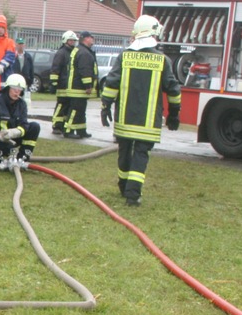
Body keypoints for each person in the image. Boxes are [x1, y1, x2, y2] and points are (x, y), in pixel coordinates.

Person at [100, 15, 182, 207]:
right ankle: (133, 194)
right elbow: (173, 89)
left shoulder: (125, 56)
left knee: (124, 150)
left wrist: (105, 105)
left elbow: (112, 83)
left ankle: (123, 186)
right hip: (148, 122)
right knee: (141, 155)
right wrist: (174, 113)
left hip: (124, 118)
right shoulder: (162, 60)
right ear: (153, 33)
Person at [0, 73, 39, 167]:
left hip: (11, 138)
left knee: (34, 126)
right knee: (9, 149)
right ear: (8, 88)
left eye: (19, 90)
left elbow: (24, 124)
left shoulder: (22, 104)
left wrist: (14, 132)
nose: (17, 92)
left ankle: (23, 157)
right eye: (14, 88)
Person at [63, 30, 98, 139]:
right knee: (75, 110)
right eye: (91, 37)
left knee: (81, 111)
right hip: (78, 88)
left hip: (76, 87)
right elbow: (85, 70)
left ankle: (81, 130)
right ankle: (68, 130)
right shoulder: (84, 53)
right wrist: (88, 85)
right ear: (86, 39)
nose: (93, 39)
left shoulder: (80, 50)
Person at [49, 29, 78, 134]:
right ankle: (56, 125)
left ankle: (62, 125)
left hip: (69, 85)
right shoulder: (61, 53)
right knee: (61, 105)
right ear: (65, 40)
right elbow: (55, 69)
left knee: (67, 106)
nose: (73, 42)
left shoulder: (73, 53)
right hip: (62, 85)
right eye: (71, 40)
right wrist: (54, 83)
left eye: (74, 41)